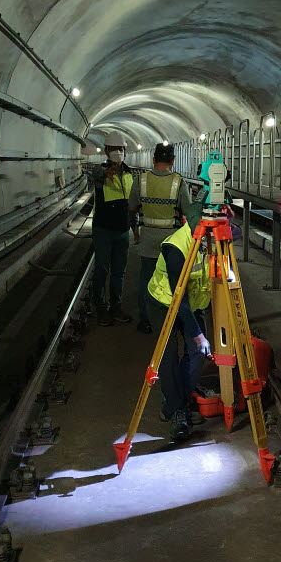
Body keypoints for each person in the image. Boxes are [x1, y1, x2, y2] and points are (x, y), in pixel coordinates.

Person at [146, 201, 212, 442]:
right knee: (169, 353)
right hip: (164, 302)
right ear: (189, 224)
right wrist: (199, 334)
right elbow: (179, 301)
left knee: (197, 353)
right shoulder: (175, 248)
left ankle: (179, 400)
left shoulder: (213, 236)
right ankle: (174, 410)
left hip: (192, 303)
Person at [128, 143, 192, 334]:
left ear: (153, 159)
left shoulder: (141, 180)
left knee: (147, 279)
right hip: (172, 241)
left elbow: (131, 208)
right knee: (173, 281)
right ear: (173, 161)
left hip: (147, 238)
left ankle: (146, 321)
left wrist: (137, 232)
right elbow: (188, 211)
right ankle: (171, 320)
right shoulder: (179, 182)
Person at [91, 131, 135, 326]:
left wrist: (136, 228)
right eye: (114, 149)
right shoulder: (101, 171)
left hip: (123, 230)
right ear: (107, 151)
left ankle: (115, 307)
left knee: (119, 271)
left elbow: (132, 204)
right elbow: (95, 172)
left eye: (121, 149)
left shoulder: (129, 173)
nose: (118, 152)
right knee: (101, 269)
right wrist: (105, 172)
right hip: (103, 229)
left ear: (124, 150)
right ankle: (100, 309)